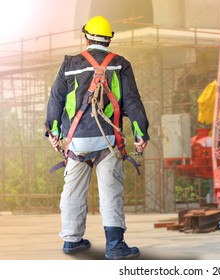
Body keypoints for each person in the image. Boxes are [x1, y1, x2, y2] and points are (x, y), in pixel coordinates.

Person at [45, 15, 149, 259]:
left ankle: (71, 240)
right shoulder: (121, 64)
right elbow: (133, 102)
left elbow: (56, 99)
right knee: (110, 190)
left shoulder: (70, 64)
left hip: (76, 142)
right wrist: (140, 133)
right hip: (108, 141)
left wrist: (53, 131)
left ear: (86, 37)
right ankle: (115, 245)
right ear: (109, 40)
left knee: (72, 191)